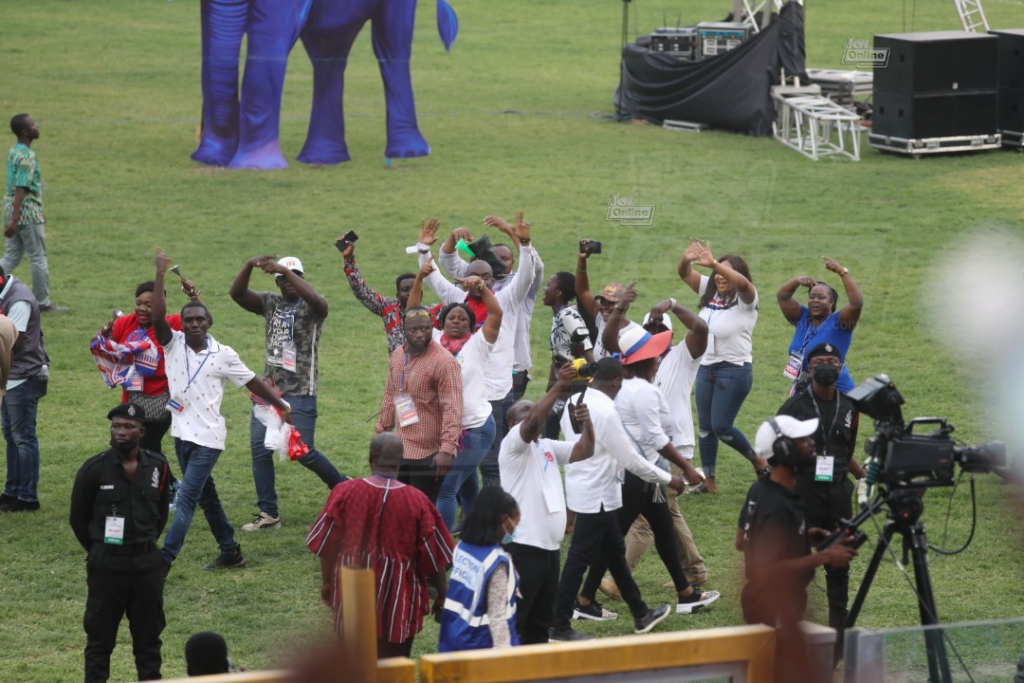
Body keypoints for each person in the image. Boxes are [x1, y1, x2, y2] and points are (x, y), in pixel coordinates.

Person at [151, 250, 293, 572]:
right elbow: (158, 317)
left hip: (208, 439)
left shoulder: (223, 354)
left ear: (209, 322)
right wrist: (160, 276)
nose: (195, 324)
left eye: (200, 319)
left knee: (186, 498)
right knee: (207, 497)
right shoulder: (171, 343)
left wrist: (282, 405)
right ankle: (230, 551)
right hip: (180, 435)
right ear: (182, 325)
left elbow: (253, 382)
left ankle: (164, 559)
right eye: (189, 320)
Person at [578, 298, 718, 618]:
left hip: (647, 469)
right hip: (640, 471)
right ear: (646, 358)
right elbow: (654, 437)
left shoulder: (626, 384)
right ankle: (585, 600)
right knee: (622, 535)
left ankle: (686, 593)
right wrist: (685, 470)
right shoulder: (641, 391)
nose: (659, 356)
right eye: (654, 351)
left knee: (665, 528)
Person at [549, 358, 685, 642]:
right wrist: (668, 478)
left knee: (615, 553)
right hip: (598, 494)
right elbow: (631, 459)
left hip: (583, 488)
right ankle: (558, 625)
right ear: (616, 382)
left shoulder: (576, 398)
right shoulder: (606, 411)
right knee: (577, 560)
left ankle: (640, 613)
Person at [306, 433, 454, 659]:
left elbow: (326, 545)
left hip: (353, 594)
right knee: (394, 668)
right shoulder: (418, 501)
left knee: (353, 665)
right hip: (399, 602)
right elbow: (436, 558)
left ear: (370, 458)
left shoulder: (344, 492)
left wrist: (328, 582)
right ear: (401, 461)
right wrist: (442, 595)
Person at [416, 215, 537, 488]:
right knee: (460, 459)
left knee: (490, 464)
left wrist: (525, 243)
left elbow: (527, 275)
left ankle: (493, 516)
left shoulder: (507, 299)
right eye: (474, 274)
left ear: (494, 281)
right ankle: (468, 510)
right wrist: (423, 249)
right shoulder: (458, 301)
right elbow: (432, 276)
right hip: (460, 395)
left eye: (485, 277)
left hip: (494, 394)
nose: (478, 280)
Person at [230, 255, 347, 531]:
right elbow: (236, 294)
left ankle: (344, 486)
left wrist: (284, 269)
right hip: (268, 393)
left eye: (295, 276)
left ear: (301, 279)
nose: (290, 281)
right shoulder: (270, 302)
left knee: (303, 452)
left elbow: (320, 302)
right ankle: (268, 514)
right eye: (283, 278)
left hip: (300, 393)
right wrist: (248, 265)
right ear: (277, 282)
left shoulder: (313, 307)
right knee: (260, 451)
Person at [736, 415, 857, 680]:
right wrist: (825, 555)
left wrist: (804, 536)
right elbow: (768, 570)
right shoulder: (778, 504)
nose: (811, 442)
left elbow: (741, 540)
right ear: (784, 450)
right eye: (802, 439)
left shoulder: (762, 489)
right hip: (774, 606)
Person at [69, 404, 173, 683]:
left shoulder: (158, 467)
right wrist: (100, 551)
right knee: (99, 643)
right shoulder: (94, 469)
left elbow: (161, 514)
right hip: (107, 563)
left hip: (146, 564)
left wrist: (144, 544)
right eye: (116, 426)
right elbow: (78, 518)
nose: (121, 432)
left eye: (128, 427)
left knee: (149, 643)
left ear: (142, 431)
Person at [499, 363, 596, 644]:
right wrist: (558, 387)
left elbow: (584, 450)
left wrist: (587, 423)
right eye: (524, 411)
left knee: (541, 621)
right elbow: (529, 426)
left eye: (534, 409)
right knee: (517, 617)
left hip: (550, 550)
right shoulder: (512, 446)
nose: (533, 415)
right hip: (523, 547)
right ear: (510, 424)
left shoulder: (547, 447)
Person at [777, 341, 863, 652]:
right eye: (820, 361)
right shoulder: (794, 408)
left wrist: (856, 475)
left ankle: (837, 639)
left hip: (838, 493)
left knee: (839, 567)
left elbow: (847, 448)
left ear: (840, 368)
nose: (826, 365)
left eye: (832, 360)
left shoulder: (851, 407)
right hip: (804, 492)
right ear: (809, 368)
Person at [408, 262, 500, 530]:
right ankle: (479, 534)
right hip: (447, 430)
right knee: (467, 487)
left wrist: (481, 288)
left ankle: (441, 548)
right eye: (452, 317)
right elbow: (413, 312)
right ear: (442, 322)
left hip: (474, 429)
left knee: (446, 487)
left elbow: (497, 313)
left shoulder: (479, 344)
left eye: (463, 318)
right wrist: (420, 278)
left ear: (471, 325)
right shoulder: (432, 341)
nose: (457, 320)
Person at [678, 239, 768, 492]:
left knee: (721, 426)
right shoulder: (710, 291)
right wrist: (686, 259)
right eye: (716, 274)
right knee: (705, 428)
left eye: (724, 272)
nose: (719, 277)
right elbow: (684, 273)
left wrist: (715, 263)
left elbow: (744, 284)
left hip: (734, 370)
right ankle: (709, 482)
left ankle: (757, 459)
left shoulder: (746, 298)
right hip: (706, 368)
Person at [436, 214, 545, 401]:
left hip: (515, 364)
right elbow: (448, 260)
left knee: (506, 417)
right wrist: (453, 237)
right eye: (497, 257)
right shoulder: (478, 279)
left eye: (507, 258)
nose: (502, 262)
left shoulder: (522, 286)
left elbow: (534, 267)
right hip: (478, 361)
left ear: (514, 261)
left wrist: (513, 233)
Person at [98, 279, 201, 455]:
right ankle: (166, 481)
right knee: (130, 447)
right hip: (133, 397)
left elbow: (200, 322)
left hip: (166, 398)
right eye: (138, 303)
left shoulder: (172, 324)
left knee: (146, 446)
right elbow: (106, 350)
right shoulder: (125, 323)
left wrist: (193, 296)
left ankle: (165, 481)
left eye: (149, 304)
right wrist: (105, 338)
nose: (142, 309)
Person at [375, 305, 463, 504]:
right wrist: (382, 432)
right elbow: (391, 394)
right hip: (399, 449)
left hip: (429, 454)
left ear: (432, 327)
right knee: (396, 507)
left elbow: (453, 408)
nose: (419, 335)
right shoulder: (398, 356)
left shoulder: (444, 363)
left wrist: (447, 449)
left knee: (420, 510)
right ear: (403, 330)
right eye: (413, 330)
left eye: (425, 329)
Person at [439, 487, 522, 652]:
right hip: (482, 645)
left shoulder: (462, 548)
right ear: (504, 520)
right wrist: (509, 658)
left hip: (454, 636)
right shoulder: (496, 562)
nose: (515, 531)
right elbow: (498, 617)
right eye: (515, 523)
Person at [2, 114, 65, 312]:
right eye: (33, 125)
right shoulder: (27, 156)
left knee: (12, 255)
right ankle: (42, 302)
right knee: (38, 257)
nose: (37, 127)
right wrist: (16, 218)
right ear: (24, 131)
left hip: (12, 207)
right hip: (24, 212)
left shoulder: (14, 151)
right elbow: (22, 187)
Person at [0, 265, 49, 512]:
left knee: (23, 437)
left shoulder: (18, 300)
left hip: (23, 377)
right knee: (11, 435)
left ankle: (28, 497)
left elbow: (11, 343)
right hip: (9, 376)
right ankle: (12, 492)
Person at [777, 256, 863, 394]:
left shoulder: (840, 323)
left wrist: (843, 273)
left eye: (821, 297)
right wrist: (796, 281)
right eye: (812, 296)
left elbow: (856, 303)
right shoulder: (803, 318)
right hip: (805, 387)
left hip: (836, 391)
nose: (815, 300)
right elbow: (783, 296)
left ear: (831, 303)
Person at [339, 237, 418, 356]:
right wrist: (348, 259)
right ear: (397, 295)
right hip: (397, 373)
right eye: (405, 290)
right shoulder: (389, 309)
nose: (409, 293)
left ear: (421, 294)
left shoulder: (431, 314)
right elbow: (362, 292)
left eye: (414, 290)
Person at [541, 271, 593, 439]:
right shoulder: (559, 314)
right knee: (550, 420)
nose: (544, 289)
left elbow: (586, 345)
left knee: (554, 420)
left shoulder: (567, 315)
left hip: (574, 377)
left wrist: (593, 378)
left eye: (548, 285)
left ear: (558, 293)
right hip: (560, 373)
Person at [573, 241, 642, 360]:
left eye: (611, 303)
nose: (604, 306)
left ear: (624, 305)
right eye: (603, 301)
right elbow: (582, 291)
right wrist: (582, 260)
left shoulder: (635, 333)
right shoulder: (602, 319)